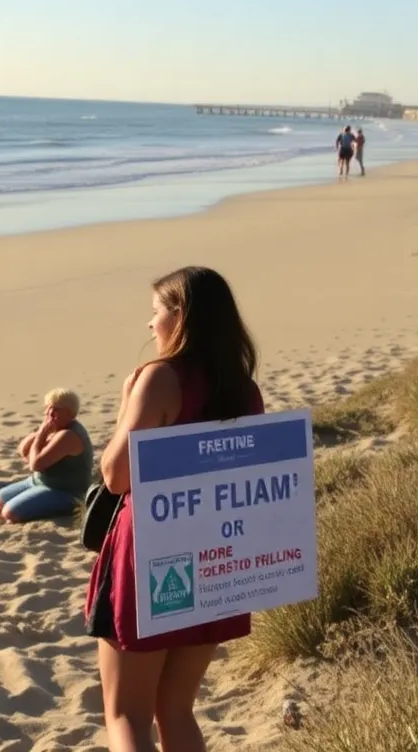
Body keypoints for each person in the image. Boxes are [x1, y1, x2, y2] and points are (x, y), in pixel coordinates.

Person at [86, 267, 264, 752]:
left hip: (153, 553)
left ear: (181, 316)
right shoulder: (243, 389)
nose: (151, 325)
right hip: (216, 554)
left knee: (126, 715)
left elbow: (116, 476)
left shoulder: (161, 379)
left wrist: (127, 403)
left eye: (157, 312)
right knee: (177, 710)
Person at [0, 388, 94, 523]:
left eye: (56, 409)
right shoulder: (54, 427)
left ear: (69, 413)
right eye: (48, 408)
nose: (49, 413)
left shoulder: (68, 435)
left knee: (10, 513)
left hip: (64, 491)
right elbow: (23, 449)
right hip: (38, 482)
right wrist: (41, 432)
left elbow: (36, 464)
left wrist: (42, 435)